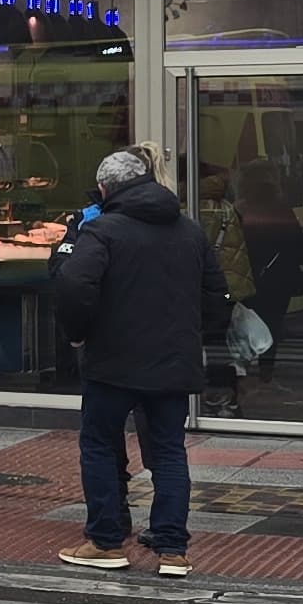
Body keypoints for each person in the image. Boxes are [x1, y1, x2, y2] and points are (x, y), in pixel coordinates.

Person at [49, 146, 230, 578]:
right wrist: (192, 334)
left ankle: (105, 541)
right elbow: (218, 294)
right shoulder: (188, 231)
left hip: (112, 362)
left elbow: (73, 285)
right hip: (171, 361)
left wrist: (78, 333)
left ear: (104, 188)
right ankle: (172, 550)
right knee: (169, 452)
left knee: (99, 445)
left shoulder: (103, 231)